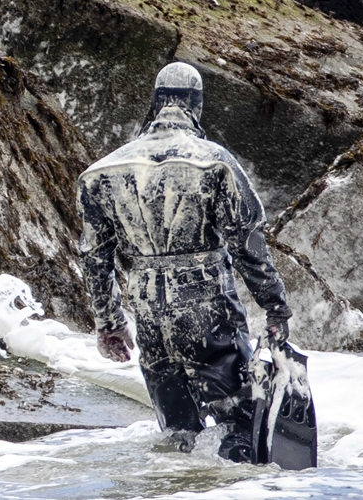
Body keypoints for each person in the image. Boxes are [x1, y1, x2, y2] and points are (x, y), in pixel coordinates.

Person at [77, 62, 292, 462]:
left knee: (176, 434)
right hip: (207, 303)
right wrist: (275, 307)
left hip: (148, 311)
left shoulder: (101, 172)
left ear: (157, 103)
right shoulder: (214, 161)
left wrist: (109, 323)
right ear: (196, 104)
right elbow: (247, 244)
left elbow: (94, 256)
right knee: (238, 425)